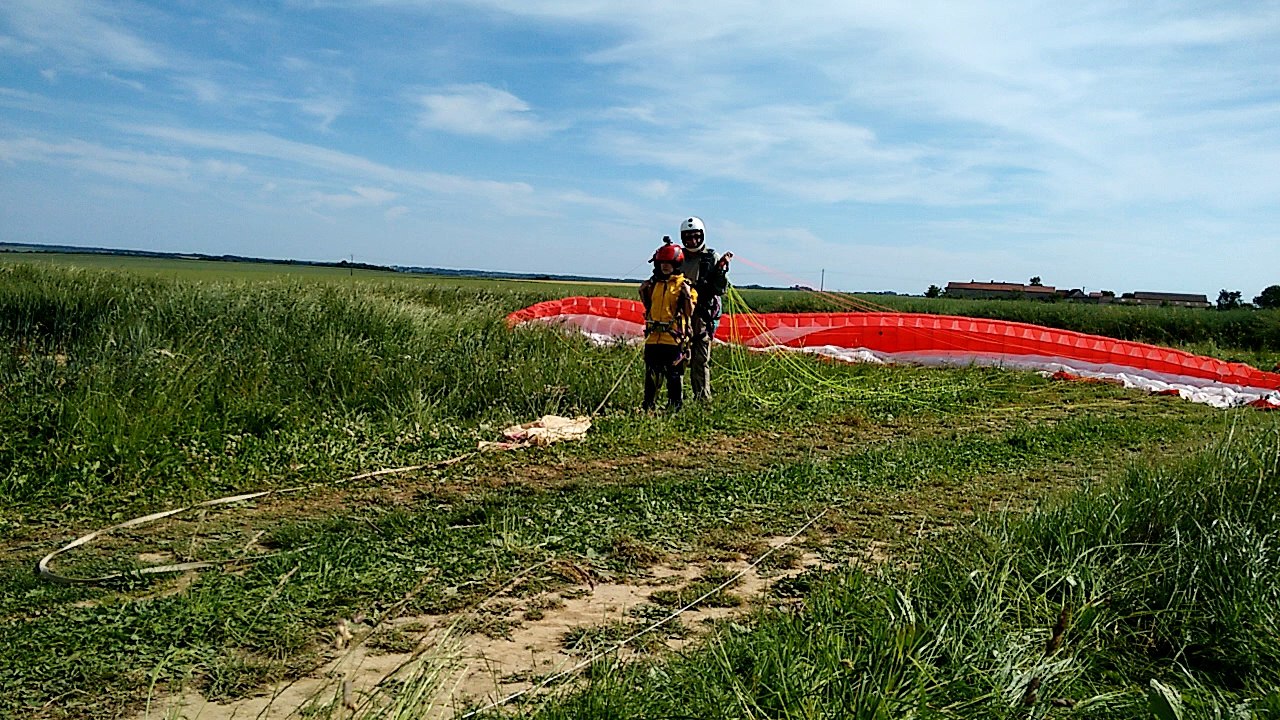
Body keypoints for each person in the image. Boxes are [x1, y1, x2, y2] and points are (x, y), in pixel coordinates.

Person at [676, 216, 731, 401]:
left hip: (703, 315)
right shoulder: (678, 257)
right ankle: (676, 400)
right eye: (688, 237)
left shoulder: (711, 258)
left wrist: (722, 271)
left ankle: (702, 400)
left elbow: (720, 289)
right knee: (678, 358)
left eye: (696, 237)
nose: (693, 241)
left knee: (700, 358)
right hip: (681, 315)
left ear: (702, 236)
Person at [639, 238, 697, 411]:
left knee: (673, 375)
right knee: (651, 374)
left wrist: (686, 295)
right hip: (653, 338)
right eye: (662, 263)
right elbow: (649, 307)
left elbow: (689, 312)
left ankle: (674, 407)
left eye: (669, 263)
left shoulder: (684, 286)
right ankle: (648, 406)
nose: (665, 266)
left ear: (676, 264)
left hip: (673, 339)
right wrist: (643, 291)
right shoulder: (653, 284)